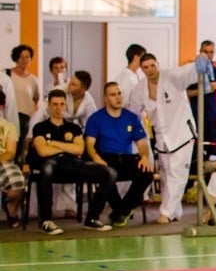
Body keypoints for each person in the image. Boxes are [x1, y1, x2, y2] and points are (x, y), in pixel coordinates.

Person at [31, 88, 120, 233]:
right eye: (55, 104)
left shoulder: (73, 127)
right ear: (48, 105)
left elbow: (79, 150)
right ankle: (46, 221)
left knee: (110, 173)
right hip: (51, 165)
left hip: (72, 165)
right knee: (46, 169)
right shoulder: (40, 127)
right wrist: (68, 147)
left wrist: (53, 143)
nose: (58, 108)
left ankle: (92, 218)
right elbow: (42, 151)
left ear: (65, 105)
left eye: (61, 104)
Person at [128, 53, 201, 224]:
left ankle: (166, 212)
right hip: (162, 138)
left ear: (157, 64)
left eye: (152, 66)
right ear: (142, 69)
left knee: (177, 174)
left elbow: (186, 72)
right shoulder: (140, 88)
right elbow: (134, 113)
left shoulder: (171, 77)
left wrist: (198, 64)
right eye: (145, 67)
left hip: (182, 134)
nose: (150, 70)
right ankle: (175, 211)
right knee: (166, 175)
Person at [83, 82, 154, 228]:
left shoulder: (132, 118)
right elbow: (89, 144)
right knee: (108, 175)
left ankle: (121, 211)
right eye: (113, 94)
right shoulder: (96, 118)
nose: (117, 97)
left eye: (119, 94)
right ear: (106, 98)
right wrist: (96, 158)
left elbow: (142, 143)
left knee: (147, 174)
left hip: (126, 158)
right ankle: (121, 211)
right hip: (106, 158)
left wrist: (145, 157)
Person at [0, 90, 25, 228]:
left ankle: (11, 210)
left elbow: (10, 152)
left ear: (1, 107)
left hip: (3, 161)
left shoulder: (9, 127)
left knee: (18, 182)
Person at [114, 43, 146, 108]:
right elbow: (123, 103)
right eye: (143, 57)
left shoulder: (135, 75)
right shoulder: (125, 77)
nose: (145, 60)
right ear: (136, 57)